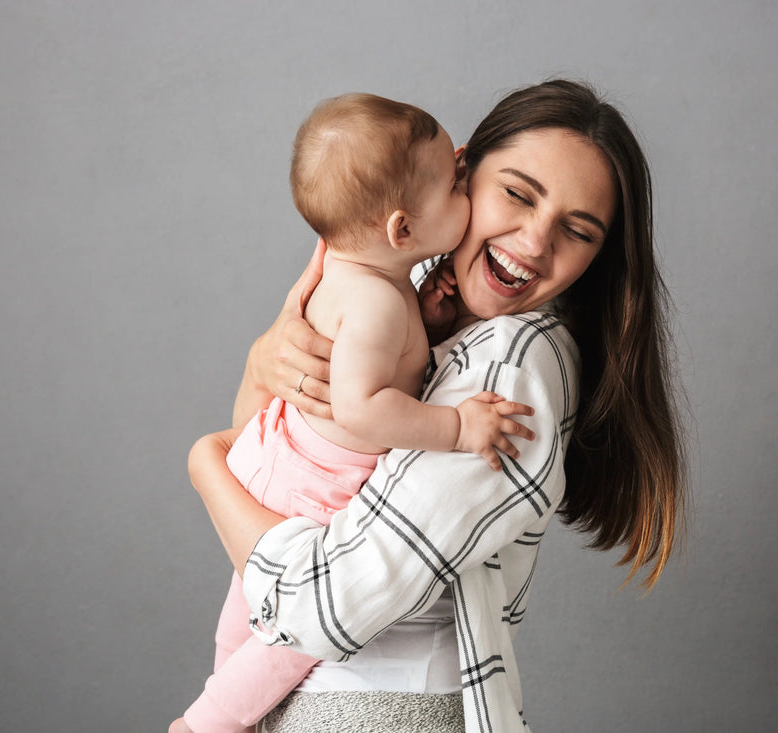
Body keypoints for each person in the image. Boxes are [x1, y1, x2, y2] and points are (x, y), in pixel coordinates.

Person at [186, 80, 690, 733]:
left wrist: (205, 462)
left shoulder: (508, 370)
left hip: (375, 708)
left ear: (599, 258)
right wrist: (266, 359)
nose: (535, 243)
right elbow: (277, 458)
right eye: (517, 193)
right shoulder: (411, 288)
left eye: (577, 229)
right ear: (462, 171)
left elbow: (317, 603)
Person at [173, 94, 535, 733]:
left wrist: (427, 316)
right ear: (401, 230)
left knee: (248, 611)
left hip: (276, 452)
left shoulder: (352, 269)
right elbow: (361, 407)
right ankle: (207, 725)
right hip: (318, 487)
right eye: (455, 186)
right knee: (287, 639)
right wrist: (457, 426)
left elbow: (376, 358)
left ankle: (225, 697)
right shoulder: (375, 302)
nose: (465, 184)